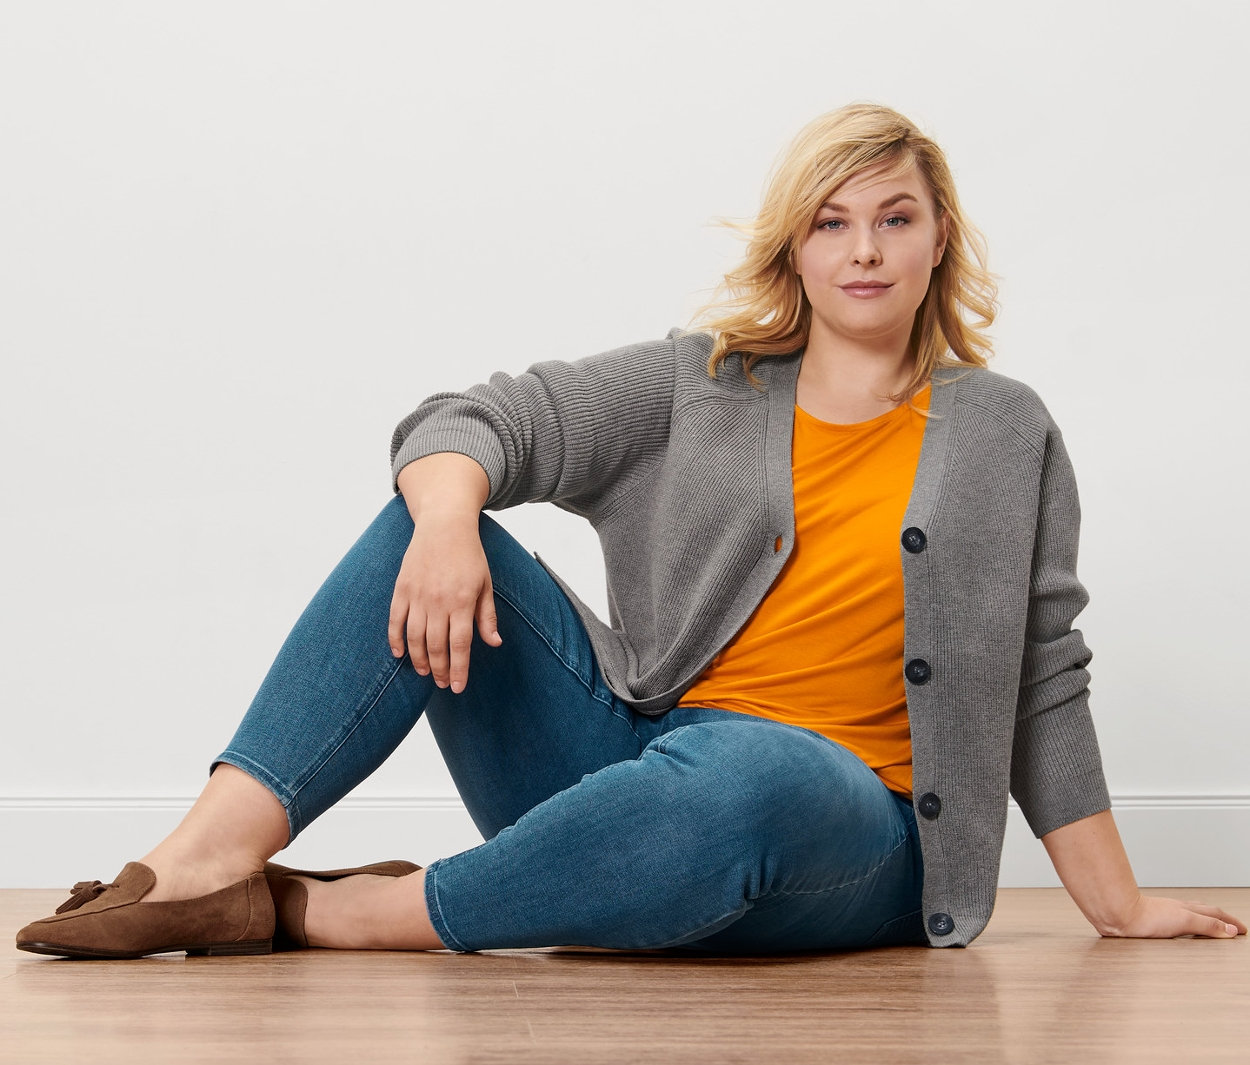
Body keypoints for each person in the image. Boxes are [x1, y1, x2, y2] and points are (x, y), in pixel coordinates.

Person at [17, 103, 1244, 960]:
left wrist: (1116, 903)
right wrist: (445, 521)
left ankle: (336, 915)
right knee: (422, 525)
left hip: (851, 830)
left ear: (939, 240)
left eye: (894, 217)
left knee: (754, 770)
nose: (864, 248)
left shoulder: (1002, 430)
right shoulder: (700, 383)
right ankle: (198, 869)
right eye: (830, 222)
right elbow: (472, 419)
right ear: (793, 247)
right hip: (634, 769)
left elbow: (1041, 671)